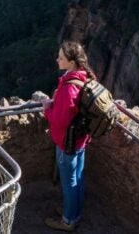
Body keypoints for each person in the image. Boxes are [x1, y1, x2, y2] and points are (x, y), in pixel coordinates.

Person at [41, 41, 95, 232]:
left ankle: (68, 221)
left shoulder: (69, 87)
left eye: (62, 58)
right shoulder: (85, 76)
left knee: (69, 182)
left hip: (68, 142)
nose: (57, 59)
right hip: (81, 140)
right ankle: (74, 212)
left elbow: (60, 120)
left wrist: (47, 109)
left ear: (71, 62)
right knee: (78, 178)